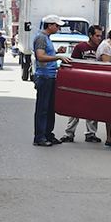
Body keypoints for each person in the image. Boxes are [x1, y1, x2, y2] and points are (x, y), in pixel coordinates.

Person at [61, 25, 104, 143]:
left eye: (101, 36)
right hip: (80, 82)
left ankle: (91, 134)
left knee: (93, 108)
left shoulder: (101, 49)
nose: (99, 38)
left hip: (95, 83)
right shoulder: (80, 47)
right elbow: (73, 64)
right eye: (97, 36)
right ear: (90, 35)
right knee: (74, 108)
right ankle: (69, 133)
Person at [33, 15, 71, 146]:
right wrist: (58, 57)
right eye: (57, 25)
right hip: (44, 76)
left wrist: (56, 52)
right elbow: (40, 57)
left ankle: (48, 134)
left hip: (50, 76)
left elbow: (46, 54)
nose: (59, 28)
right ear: (50, 25)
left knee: (50, 108)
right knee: (43, 108)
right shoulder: (41, 38)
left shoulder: (47, 38)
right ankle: (40, 137)